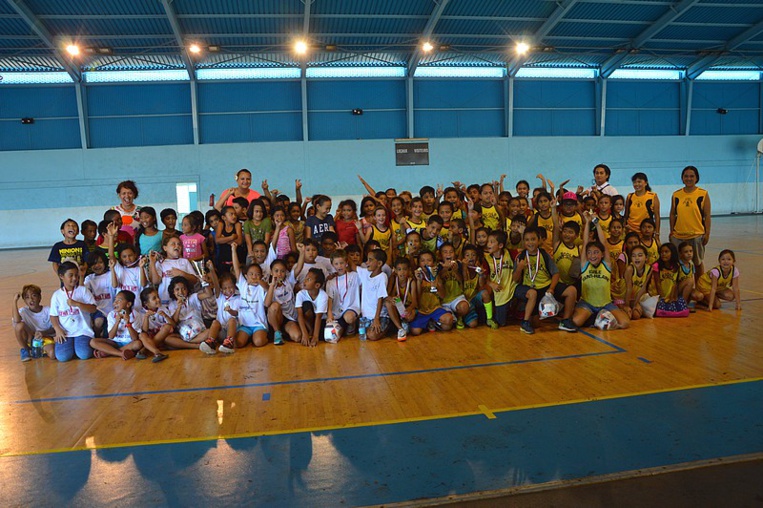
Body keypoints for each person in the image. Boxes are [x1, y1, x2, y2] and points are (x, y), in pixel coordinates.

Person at [513, 227, 578, 334]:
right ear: (524, 242)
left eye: (533, 239)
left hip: (545, 287)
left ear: (539, 241)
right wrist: (519, 268)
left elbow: (556, 273)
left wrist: (551, 288)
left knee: (571, 291)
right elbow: (515, 280)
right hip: (529, 288)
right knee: (536, 324)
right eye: (527, 240)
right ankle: (525, 323)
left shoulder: (544, 254)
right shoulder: (521, 256)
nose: (530, 242)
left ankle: (565, 321)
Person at [572, 213, 630, 329]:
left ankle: (600, 317)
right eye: (589, 252)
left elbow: (603, 243)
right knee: (576, 322)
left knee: (624, 323)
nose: (592, 255)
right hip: (587, 304)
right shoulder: (585, 265)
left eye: (596, 252)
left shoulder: (606, 264)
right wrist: (587, 222)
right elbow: (585, 242)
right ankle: (595, 318)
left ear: (602, 254)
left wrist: (596, 223)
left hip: (606, 304)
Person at [49, 261, 96, 361]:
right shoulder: (56, 295)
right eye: (70, 275)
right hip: (65, 332)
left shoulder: (83, 290)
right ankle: (72, 347)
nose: (74, 278)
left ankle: (78, 347)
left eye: (76, 275)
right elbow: (53, 315)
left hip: (82, 331)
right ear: (61, 276)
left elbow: (93, 308)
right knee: (62, 357)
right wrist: (57, 329)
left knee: (84, 354)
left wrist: (78, 304)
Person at [669, 165, 711, 277]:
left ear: (696, 178)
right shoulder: (676, 195)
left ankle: (699, 288)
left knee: (697, 263)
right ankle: (681, 290)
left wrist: (707, 233)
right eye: (686, 176)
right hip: (679, 235)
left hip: (696, 235)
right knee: (678, 264)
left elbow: (707, 215)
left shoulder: (703, 194)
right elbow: (672, 214)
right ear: (682, 178)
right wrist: (672, 231)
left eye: (692, 176)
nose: (689, 178)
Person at [228, 244, 269, 350]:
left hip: (258, 324)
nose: (254, 276)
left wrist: (259, 281)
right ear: (246, 276)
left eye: (257, 274)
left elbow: (268, 288)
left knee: (259, 342)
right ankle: (249, 337)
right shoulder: (243, 285)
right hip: (245, 324)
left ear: (261, 276)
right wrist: (233, 250)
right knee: (239, 343)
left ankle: (262, 336)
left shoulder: (261, 287)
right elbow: (236, 268)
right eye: (251, 274)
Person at [90, 291, 144, 360]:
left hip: (129, 343)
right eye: (115, 300)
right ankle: (120, 353)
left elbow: (135, 338)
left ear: (128, 304)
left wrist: (128, 324)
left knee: (138, 344)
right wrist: (117, 322)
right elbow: (111, 336)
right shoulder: (111, 314)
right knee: (93, 342)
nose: (115, 303)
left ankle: (109, 352)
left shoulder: (136, 315)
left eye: (119, 300)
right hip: (115, 342)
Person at [201, 265, 240, 354]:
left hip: (234, 330)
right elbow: (216, 284)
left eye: (230, 287)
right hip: (222, 331)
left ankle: (229, 343)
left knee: (231, 320)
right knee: (215, 322)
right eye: (225, 288)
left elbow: (236, 313)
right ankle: (211, 343)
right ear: (221, 289)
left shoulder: (238, 298)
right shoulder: (220, 297)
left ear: (235, 286)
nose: (228, 290)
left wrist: (230, 310)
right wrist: (212, 270)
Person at [148, 236, 198, 304]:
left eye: (179, 244)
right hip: (165, 300)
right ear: (165, 248)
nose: (177, 246)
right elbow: (156, 281)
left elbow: (195, 280)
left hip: (183, 300)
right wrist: (152, 263)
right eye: (173, 244)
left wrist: (181, 273)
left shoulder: (184, 261)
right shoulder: (161, 263)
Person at [12, 285, 55, 361]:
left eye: (34, 296)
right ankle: (25, 349)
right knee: (19, 325)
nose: (31, 299)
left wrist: (43, 333)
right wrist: (14, 301)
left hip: (44, 338)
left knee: (52, 354)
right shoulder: (24, 311)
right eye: (27, 297)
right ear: (24, 301)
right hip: (30, 338)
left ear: (39, 298)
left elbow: (55, 328)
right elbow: (16, 320)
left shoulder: (48, 310)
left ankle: (40, 350)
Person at [325, 250, 360, 340]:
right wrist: (329, 314)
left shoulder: (354, 276)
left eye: (342, 263)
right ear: (332, 265)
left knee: (349, 318)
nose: (339, 266)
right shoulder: (331, 281)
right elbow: (330, 298)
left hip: (351, 307)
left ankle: (352, 325)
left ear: (346, 263)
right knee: (333, 335)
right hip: (336, 311)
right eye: (336, 264)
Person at [483, 230, 515, 327]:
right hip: (497, 290)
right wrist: (491, 283)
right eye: (488, 241)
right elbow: (484, 277)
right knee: (501, 322)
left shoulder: (510, 253)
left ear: (500, 245)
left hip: (511, 287)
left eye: (492, 242)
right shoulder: (486, 258)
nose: (488, 244)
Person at [83, 250, 113, 338]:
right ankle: (96, 336)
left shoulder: (111, 275)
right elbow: (82, 292)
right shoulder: (89, 278)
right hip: (98, 311)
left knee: (109, 335)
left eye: (100, 262)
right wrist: (81, 276)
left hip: (112, 311)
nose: (97, 266)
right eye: (94, 263)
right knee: (98, 322)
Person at [137, 287, 173, 362]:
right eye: (154, 298)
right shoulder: (141, 313)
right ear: (146, 303)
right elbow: (144, 330)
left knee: (167, 327)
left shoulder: (163, 309)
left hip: (162, 336)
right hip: (149, 337)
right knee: (142, 335)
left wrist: (165, 316)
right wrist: (146, 317)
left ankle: (145, 350)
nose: (158, 299)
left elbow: (173, 325)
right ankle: (157, 352)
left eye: (158, 296)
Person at [295, 268, 329, 347]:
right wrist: (305, 334)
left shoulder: (323, 296)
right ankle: (309, 330)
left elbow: (319, 317)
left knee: (324, 336)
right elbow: (299, 315)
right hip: (307, 321)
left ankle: (313, 332)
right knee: (307, 304)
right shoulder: (300, 294)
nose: (305, 281)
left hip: (319, 321)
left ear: (317, 285)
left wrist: (315, 337)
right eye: (305, 278)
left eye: (309, 279)